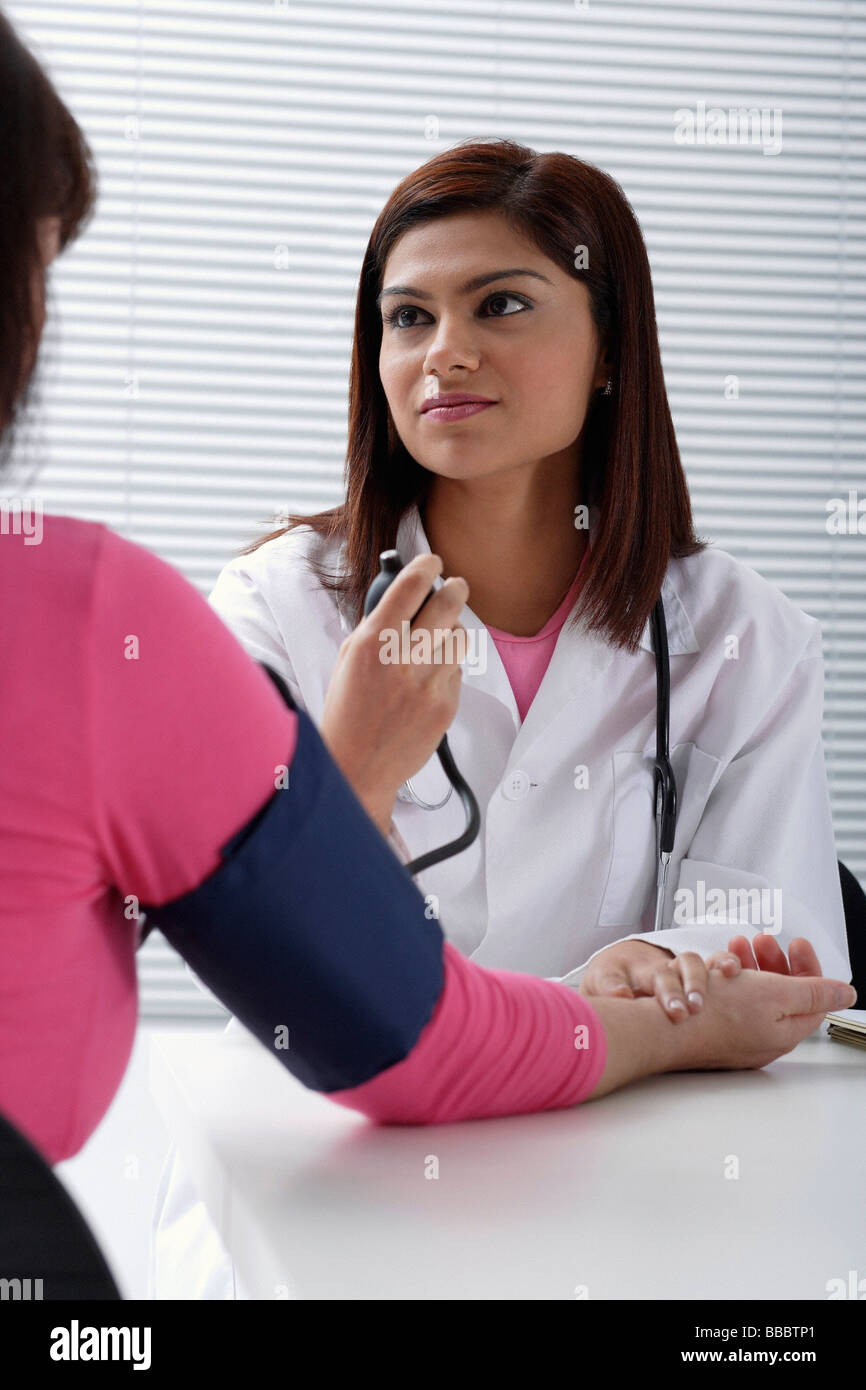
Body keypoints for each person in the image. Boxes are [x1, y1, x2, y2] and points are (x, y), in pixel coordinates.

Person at [0, 5, 854, 1262]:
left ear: (610, 344)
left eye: (499, 304)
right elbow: (209, 943)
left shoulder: (743, 634)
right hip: (330, 1168)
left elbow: (778, 940)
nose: (444, 352)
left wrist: (654, 970)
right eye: (407, 317)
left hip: (641, 1161)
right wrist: (348, 764)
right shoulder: (276, 601)